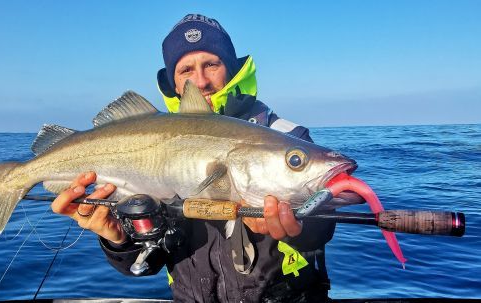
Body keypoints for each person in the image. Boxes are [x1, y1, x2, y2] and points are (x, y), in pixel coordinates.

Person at [51, 14, 335, 302]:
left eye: (212, 64)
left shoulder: (286, 136)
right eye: (186, 69)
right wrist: (117, 239)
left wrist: (298, 229)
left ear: (233, 68)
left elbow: (324, 221)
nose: (201, 81)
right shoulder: (153, 142)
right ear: (174, 83)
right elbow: (146, 263)